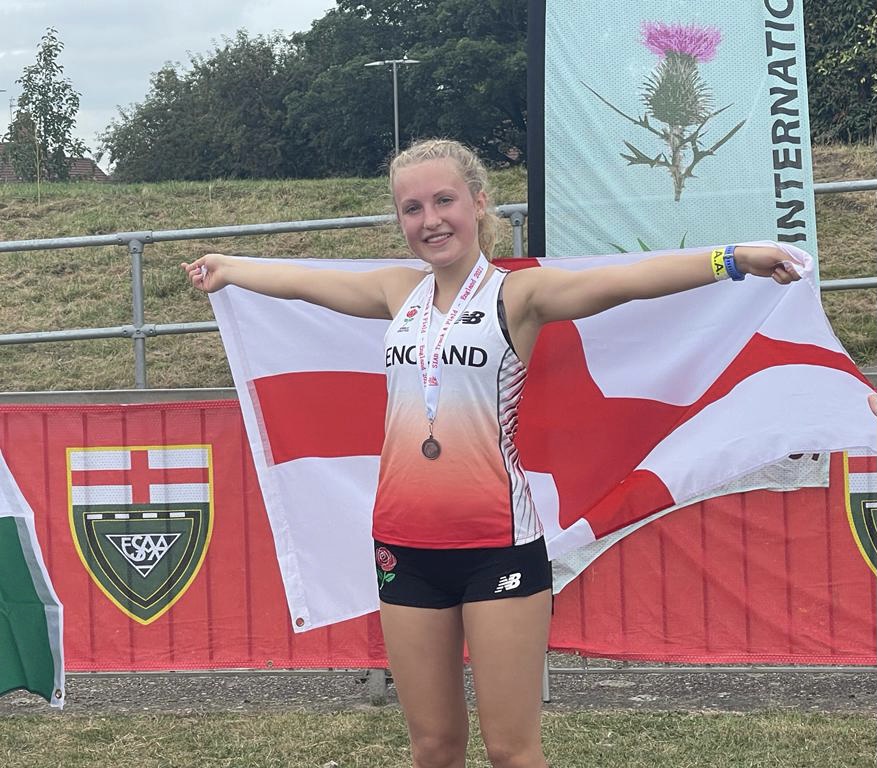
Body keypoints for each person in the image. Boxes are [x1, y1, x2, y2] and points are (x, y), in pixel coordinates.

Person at [182, 138, 801, 768]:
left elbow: (623, 283)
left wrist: (731, 258)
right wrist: (230, 268)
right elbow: (305, 283)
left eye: (444, 201)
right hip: (404, 548)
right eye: (412, 208)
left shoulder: (518, 296)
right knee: (433, 747)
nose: (430, 220)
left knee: (511, 750)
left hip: (497, 547)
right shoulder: (398, 291)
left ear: (478, 203)